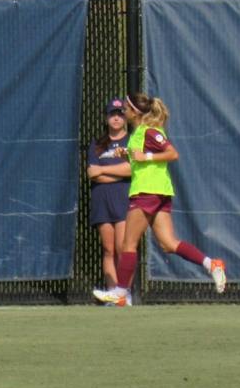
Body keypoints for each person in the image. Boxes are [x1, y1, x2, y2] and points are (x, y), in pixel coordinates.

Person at [93, 93, 227, 306]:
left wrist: (144, 157)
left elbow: (172, 154)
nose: (123, 112)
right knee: (168, 244)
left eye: (126, 108)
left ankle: (120, 292)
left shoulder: (149, 132)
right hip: (157, 192)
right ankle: (212, 264)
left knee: (128, 244)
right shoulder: (137, 134)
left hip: (148, 192)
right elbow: (141, 158)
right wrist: (127, 154)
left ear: (135, 112)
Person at [87, 99, 133, 304]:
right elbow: (92, 173)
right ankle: (111, 293)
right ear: (106, 118)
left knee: (123, 248)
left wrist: (104, 170)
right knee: (108, 250)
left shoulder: (132, 141)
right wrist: (118, 173)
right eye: (112, 114)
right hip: (101, 200)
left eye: (120, 114)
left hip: (124, 199)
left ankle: (124, 294)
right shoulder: (97, 144)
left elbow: (131, 170)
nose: (116, 117)